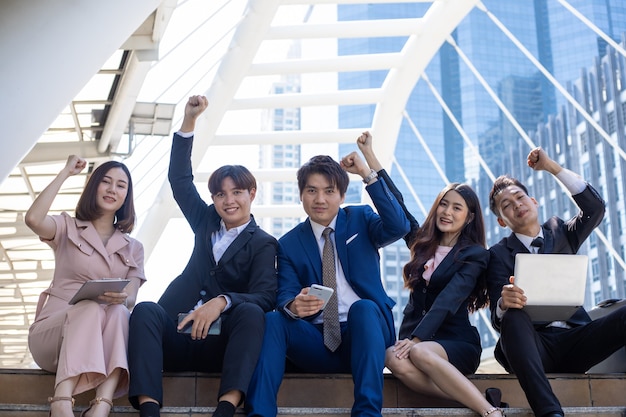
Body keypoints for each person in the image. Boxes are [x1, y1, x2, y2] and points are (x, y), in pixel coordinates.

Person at [127, 95, 278, 417]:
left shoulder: (264, 243)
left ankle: (227, 407)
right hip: (178, 332)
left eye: (237, 192)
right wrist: (189, 121)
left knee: (253, 314)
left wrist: (221, 301)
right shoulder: (205, 220)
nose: (229, 201)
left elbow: (265, 296)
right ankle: (148, 410)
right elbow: (179, 181)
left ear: (251, 194)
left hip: (221, 345)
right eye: (220, 194)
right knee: (144, 311)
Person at [245, 140, 410, 417]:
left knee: (364, 308)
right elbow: (284, 293)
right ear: (301, 195)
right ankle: (260, 413)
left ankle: (367, 413)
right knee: (274, 319)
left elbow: (399, 225)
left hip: (365, 335)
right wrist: (293, 306)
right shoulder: (288, 243)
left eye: (329, 191)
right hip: (316, 340)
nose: (320, 199)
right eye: (312, 191)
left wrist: (368, 175)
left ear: (342, 196)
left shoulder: (360, 218)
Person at [353, 133, 503, 417]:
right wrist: (369, 158)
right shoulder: (422, 244)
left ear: (469, 217)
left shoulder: (474, 255)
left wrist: (418, 340)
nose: (447, 212)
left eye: (456, 207)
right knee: (391, 359)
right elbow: (397, 205)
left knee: (418, 354)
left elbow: (448, 299)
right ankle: (478, 399)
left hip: (455, 343)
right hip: (416, 339)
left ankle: (490, 412)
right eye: (443, 205)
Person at [487, 147, 626, 417]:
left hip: (576, 341)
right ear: (502, 221)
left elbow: (595, 208)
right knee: (512, 316)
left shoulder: (560, 231)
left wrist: (552, 167)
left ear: (534, 201)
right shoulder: (497, 254)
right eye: (507, 206)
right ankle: (551, 413)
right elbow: (496, 314)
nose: (516, 205)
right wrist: (504, 304)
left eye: (519, 197)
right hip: (533, 348)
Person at [25, 156, 145, 417]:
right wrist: (65, 172)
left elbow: (131, 297)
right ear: (94, 187)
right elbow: (34, 218)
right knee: (89, 307)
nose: (113, 189)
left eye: (121, 185)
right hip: (54, 336)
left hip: (100, 343)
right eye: (106, 182)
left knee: (119, 312)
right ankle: (61, 401)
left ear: (127, 196)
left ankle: (101, 405)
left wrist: (119, 298)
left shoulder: (133, 248)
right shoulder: (67, 227)